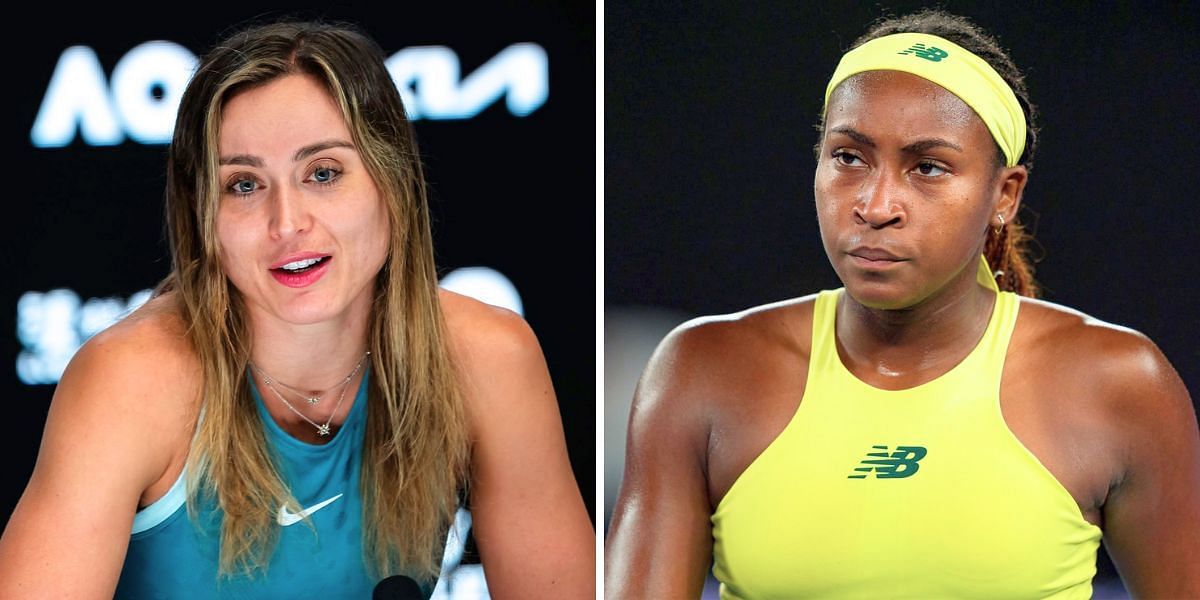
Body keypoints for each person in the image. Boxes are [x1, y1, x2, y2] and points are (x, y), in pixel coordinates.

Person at [605, 9, 1200, 599]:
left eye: (928, 167)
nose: (875, 203)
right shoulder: (699, 370)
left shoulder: (1122, 384)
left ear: (1004, 194)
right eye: (848, 157)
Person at [0, 19, 594, 599]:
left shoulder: (486, 358)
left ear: (394, 185)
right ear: (203, 218)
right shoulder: (130, 380)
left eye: (324, 173)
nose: (288, 224)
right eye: (244, 185)